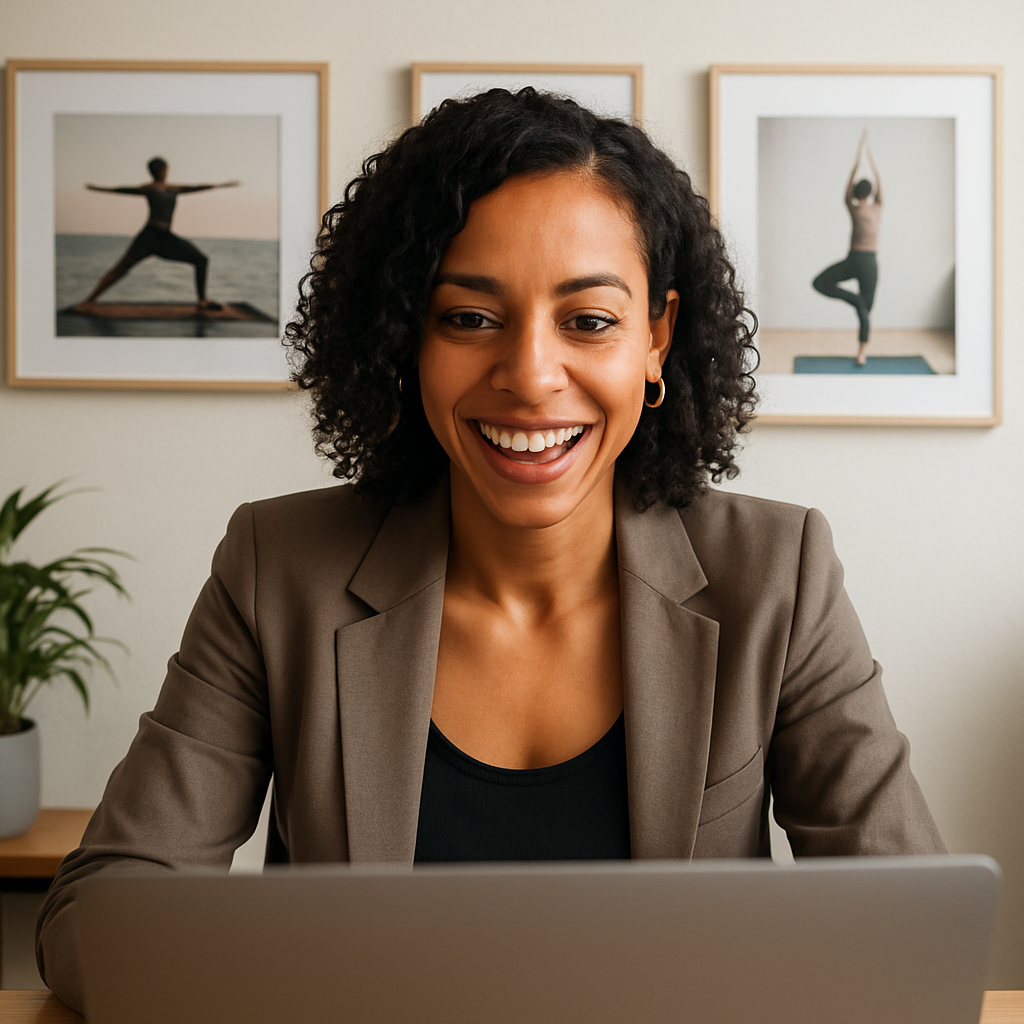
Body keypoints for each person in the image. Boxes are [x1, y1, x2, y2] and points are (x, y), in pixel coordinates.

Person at [36, 90, 942, 1012]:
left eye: (588, 321)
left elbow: (913, 931)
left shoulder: (777, 571)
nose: (530, 377)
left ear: (657, 339)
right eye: (470, 318)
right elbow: (98, 918)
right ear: (405, 339)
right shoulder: (280, 568)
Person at [73, 157, 239, 312]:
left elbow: (196, 187)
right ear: (162, 171)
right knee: (121, 269)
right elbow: (123, 190)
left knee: (201, 259)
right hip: (149, 238)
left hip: (163, 237)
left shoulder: (170, 188)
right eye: (163, 169)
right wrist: (99, 188)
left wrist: (221, 185)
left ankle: (202, 300)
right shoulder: (153, 189)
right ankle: (89, 300)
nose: (165, 172)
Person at [812, 130, 882, 366]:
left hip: (863, 261)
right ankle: (856, 303)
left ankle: (861, 353)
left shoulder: (872, 206)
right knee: (859, 305)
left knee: (864, 309)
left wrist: (862, 157)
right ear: (868, 192)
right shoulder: (868, 207)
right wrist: (863, 158)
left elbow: (862, 186)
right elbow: (877, 183)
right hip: (862, 260)